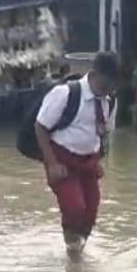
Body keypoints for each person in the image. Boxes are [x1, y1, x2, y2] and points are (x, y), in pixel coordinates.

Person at [34, 52, 120, 260]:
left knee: (90, 212)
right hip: (62, 159)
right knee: (74, 208)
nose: (111, 89)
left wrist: (100, 158)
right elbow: (40, 126)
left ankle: (76, 251)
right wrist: (52, 164)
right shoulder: (65, 94)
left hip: (88, 161)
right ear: (96, 74)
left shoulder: (109, 101)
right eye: (109, 83)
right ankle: (72, 255)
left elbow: (103, 133)